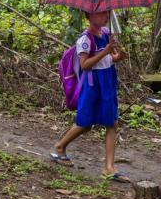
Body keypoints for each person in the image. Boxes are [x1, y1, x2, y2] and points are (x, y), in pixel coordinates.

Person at [51, 11, 129, 182]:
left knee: (112, 122)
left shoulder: (107, 33)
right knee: (85, 123)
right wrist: (105, 51)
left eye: (107, 13)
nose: (106, 16)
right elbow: (85, 65)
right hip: (93, 84)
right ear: (90, 16)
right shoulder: (85, 40)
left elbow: (111, 58)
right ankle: (60, 146)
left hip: (108, 81)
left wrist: (118, 56)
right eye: (101, 14)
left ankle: (109, 167)